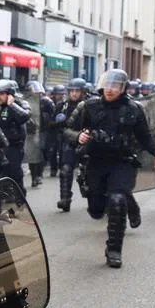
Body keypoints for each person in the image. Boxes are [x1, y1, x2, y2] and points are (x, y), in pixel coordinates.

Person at [64, 69, 155, 268]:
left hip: (122, 162)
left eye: (115, 86)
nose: (110, 90)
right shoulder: (88, 106)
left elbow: (145, 137)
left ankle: (114, 249)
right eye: (107, 85)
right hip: (95, 162)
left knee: (117, 200)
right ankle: (131, 203)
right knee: (96, 210)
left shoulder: (133, 109)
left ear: (123, 88)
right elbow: (67, 129)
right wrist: (77, 137)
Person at [0, 80, 30, 192]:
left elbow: (24, 117)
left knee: (15, 177)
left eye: (2, 94)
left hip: (13, 148)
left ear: (9, 94)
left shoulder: (20, 104)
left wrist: (12, 105)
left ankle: (20, 205)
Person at [55, 78, 89, 211]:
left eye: (77, 91)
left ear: (83, 92)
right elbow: (56, 126)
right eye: (72, 91)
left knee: (89, 173)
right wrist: (73, 136)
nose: (74, 93)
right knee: (66, 170)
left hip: (87, 142)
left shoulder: (89, 105)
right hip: (69, 142)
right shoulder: (62, 106)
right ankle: (65, 199)